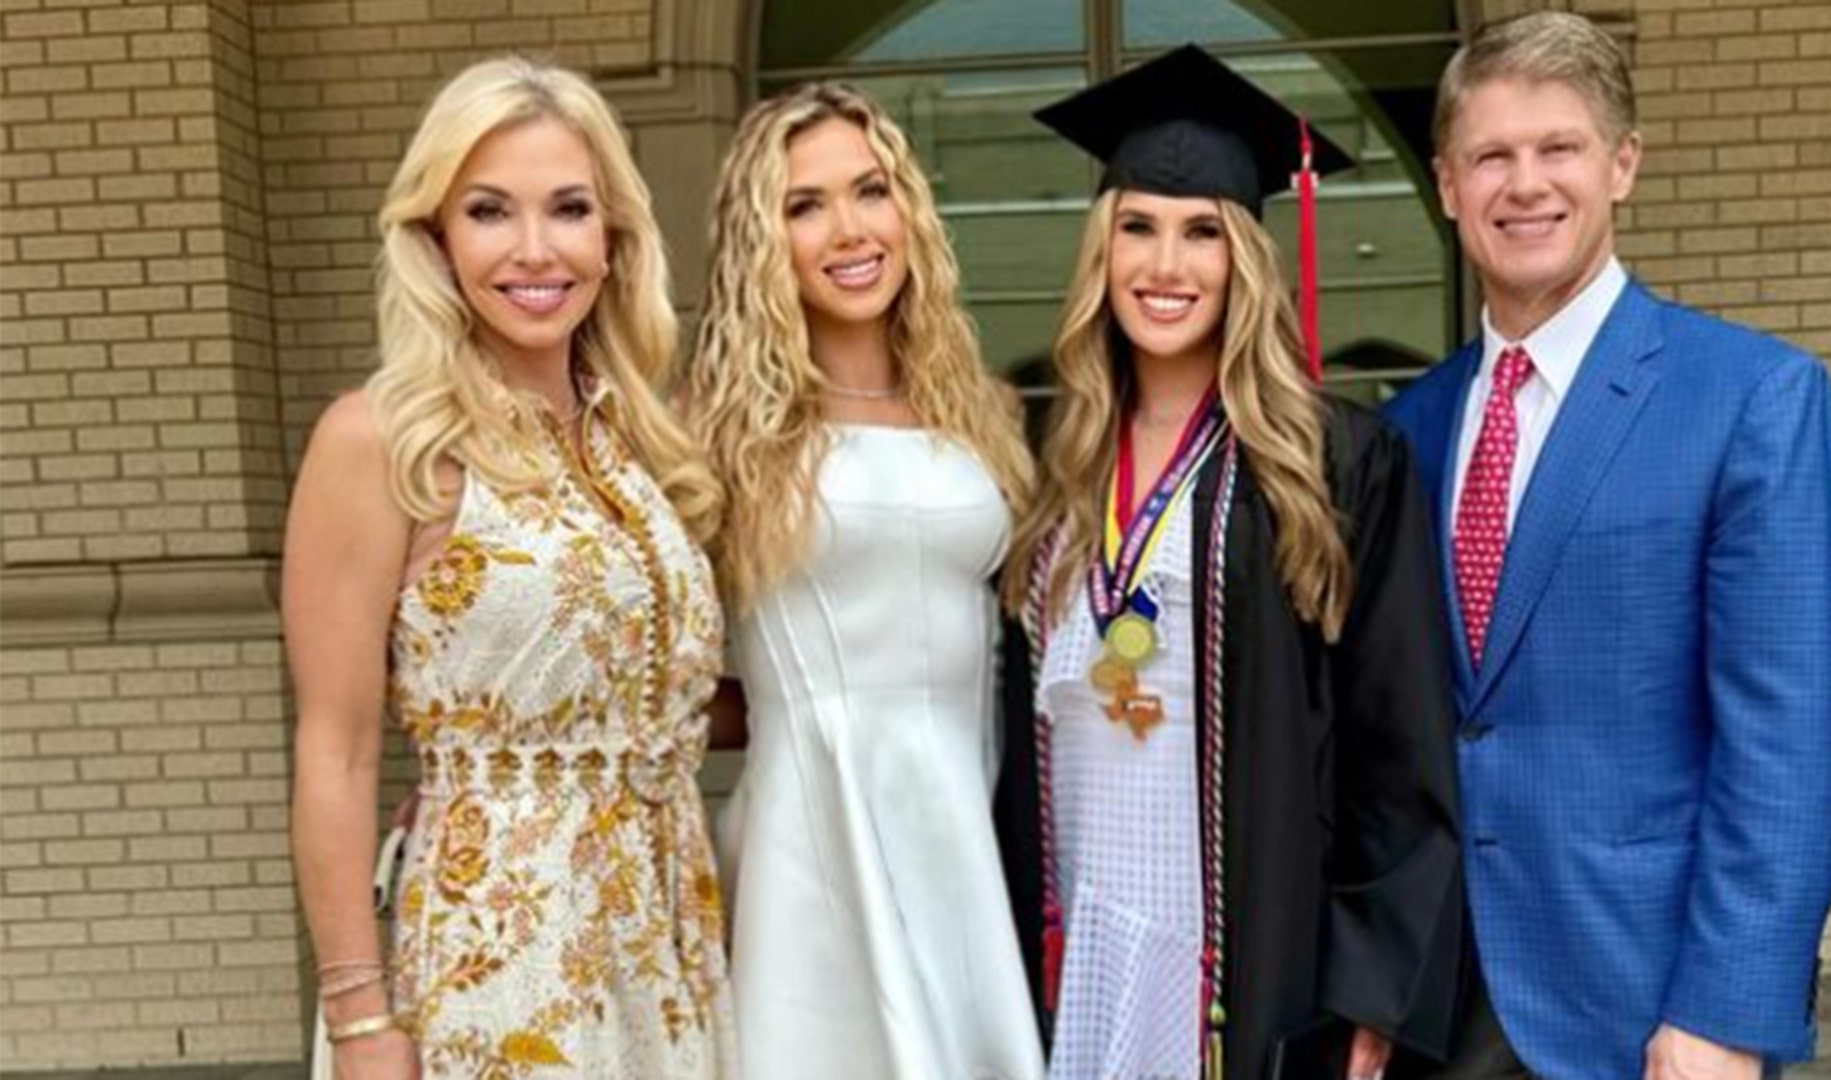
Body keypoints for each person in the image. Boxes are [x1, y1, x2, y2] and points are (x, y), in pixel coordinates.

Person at [1381, 13, 1831, 1080]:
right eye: (1492, 157)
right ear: (1448, 185)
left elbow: (1793, 742)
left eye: (1558, 148)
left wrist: (1726, 1012)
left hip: (1643, 1003)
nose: (1526, 185)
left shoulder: (1753, 400)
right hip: (1438, 1001)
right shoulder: (1408, 429)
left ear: (1623, 164)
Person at [996, 46, 1465, 1080]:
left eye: (1203, 232)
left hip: (1242, 955)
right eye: (1139, 229)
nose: (1167, 267)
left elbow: (1398, 744)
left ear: (1245, 254)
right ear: (1100, 251)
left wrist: (1370, 990)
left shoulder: (1334, 460)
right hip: (1080, 939)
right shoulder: (1054, 466)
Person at [285, 57, 735, 1078]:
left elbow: (640, 693)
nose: (536, 250)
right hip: (501, 957)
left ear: (615, 239)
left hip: (665, 945)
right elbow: (338, 750)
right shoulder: (383, 442)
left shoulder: (640, 444)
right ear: (436, 238)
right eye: (490, 211)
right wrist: (359, 1017)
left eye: (569, 209)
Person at [685, 83, 1044, 1080]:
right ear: (764, 239)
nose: (849, 230)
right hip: (815, 827)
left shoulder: (985, 411)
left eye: (870, 191)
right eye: (804, 205)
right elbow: (640, 646)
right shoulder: (717, 432)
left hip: (966, 818)